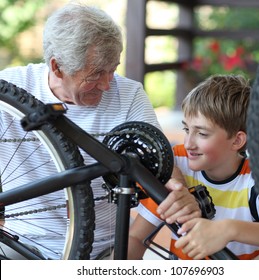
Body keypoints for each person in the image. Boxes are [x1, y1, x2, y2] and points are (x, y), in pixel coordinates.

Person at [0, 3, 200, 259]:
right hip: (22, 243)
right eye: (96, 74)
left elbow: (159, 161)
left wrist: (177, 190)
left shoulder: (129, 94)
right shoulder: (10, 91)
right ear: (57, 67)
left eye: (113, 70)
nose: (107, 85)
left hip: (104, 248)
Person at [128, 74, 259, 260]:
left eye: (202, 133)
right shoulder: (176, 163)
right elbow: (136, 237)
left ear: (237, 140)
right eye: (186, 129)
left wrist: (230, 229)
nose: (188, 143)